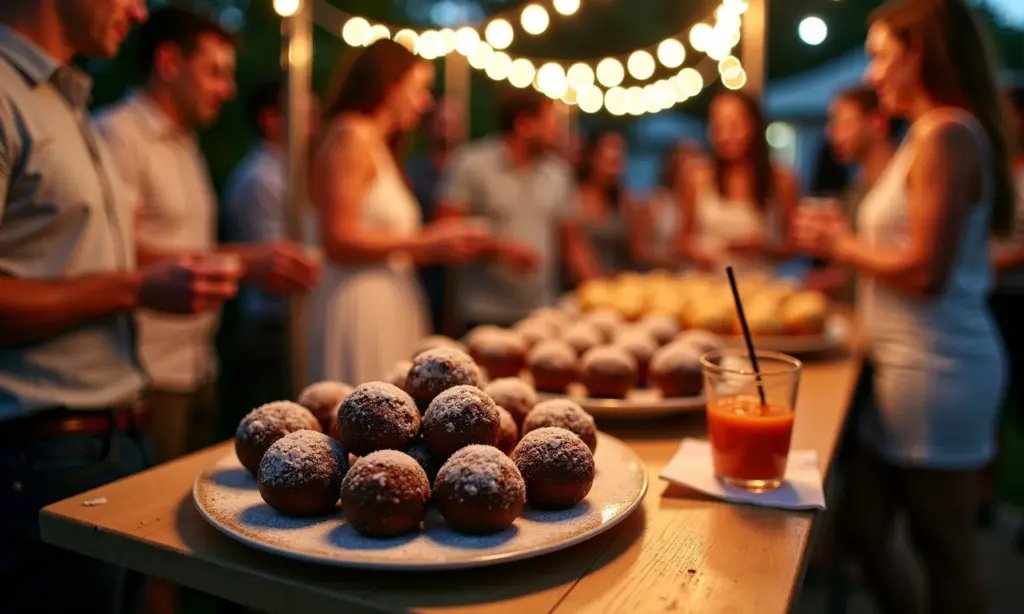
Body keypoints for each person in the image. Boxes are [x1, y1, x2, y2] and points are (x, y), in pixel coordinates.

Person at [0, 2, 243, 613]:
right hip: (42, 449)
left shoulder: (63, 98)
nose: (138, 10)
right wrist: (137, 287)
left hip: (110, 431)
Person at [793, 1, 1014, 611]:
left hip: (939, 368)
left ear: (918, 52)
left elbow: (925, 272)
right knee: (862, 526)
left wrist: (840, 244)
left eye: (881, 55)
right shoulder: (927, 135)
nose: (872, 74)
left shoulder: (946, 134)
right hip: (903, 368)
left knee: (944, 546)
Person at [94, 7, 319, 464]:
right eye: (215, 72)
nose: (227, 90)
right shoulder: (118, 135)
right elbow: (115, 253)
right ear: (169, 62)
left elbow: (186, 248)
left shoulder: (185, 143)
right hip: (144, 369)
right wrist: (246, 262)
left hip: (197, 361)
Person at [307, 39, 489, 385]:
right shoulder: (352, 135)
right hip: (360, 304)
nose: (425, 103)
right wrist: (428, 243)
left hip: (386, 297)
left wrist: (435, 242)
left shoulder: (376, 143)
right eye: (419, 89)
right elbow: (337, 239)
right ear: (390, 87)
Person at [440, 87, 596, 328]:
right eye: (550, 122)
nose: (557, 131)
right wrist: (498, 248)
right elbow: (444, 229)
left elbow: (573, 243)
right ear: (524, 124)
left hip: (541, 313)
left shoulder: (558, 173)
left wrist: (600, 290)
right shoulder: (472, 164)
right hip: (482, 313)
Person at [222, 76, 315, 416]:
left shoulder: (290, 172)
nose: (313, 125)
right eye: (304, 114)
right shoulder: (258, 177)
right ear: (271, 120)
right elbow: (276, 261)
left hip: (289, 319)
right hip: (270, 324)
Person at [677, 90, 800, 273]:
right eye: (718, 127)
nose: (726, 135)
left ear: (754, 126)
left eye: (735, 126)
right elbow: (681, 240)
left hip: (760, 288)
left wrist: (762, 247)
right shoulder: (698, 176)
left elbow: (795, 244)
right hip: (708, 286)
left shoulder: (781, 179)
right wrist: (703, 253)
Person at [805, 87, 897, 301]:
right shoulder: (858, 187)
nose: (831, 132)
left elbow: (912, 265)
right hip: (864, 317)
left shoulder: (898, 186)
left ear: (877, 123)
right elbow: (863, 261)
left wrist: (838, 244)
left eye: (842, 122)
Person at [406, 95, 466, 334]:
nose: (447, 128)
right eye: (441, 121)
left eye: (453, 121)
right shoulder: (414, 169)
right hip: (424, 267)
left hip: (461, 272)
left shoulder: (468, 165)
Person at [573, 130, 638, 277]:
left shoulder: (623, 200)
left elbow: (634, 251)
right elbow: (575, 252)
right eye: (610, 151)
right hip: (584, 285)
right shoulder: (575, 197)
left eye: (620, 152)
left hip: (619, 282)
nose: (617, 156)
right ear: (592, 157)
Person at [639, 141, 704, 270]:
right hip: (662, 274)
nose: (690, 170)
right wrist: (669, 259)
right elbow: (638, 248)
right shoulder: (657, 202)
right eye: (684, 163)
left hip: (701, 274)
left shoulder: (706, 202)